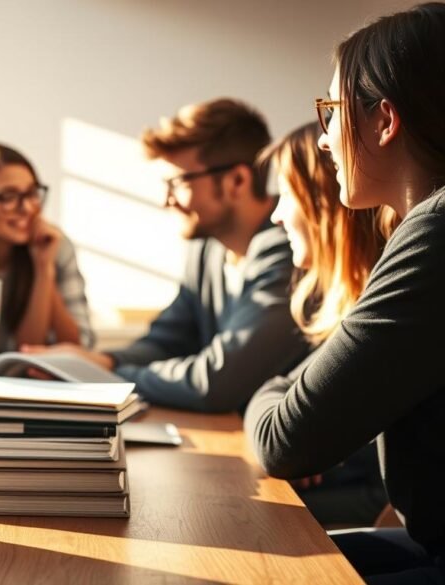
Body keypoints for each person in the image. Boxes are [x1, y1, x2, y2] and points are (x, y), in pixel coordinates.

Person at [245, 4, 445, 581]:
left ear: (384, 121)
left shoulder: (435, 233)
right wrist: (283, 397)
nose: (325, 139)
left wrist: (268, 396)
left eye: (330, 112)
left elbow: (286, 440)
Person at [28, 99, 309, 413]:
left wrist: (101, 374)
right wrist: (102, 361)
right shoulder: (206, 249)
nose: (166, 201)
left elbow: (215, 383)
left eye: (178, 183)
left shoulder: (291, 252)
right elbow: (166, 341)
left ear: (237, 181)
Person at [260, 122, 391, 527]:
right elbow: (270, 400)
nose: (277, 216)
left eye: (285, 195)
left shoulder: (385, 313)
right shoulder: (349, 308)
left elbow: (277, 437)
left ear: (325, 204)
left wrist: (302, 442)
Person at [0, 140, 94, 367]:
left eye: (32, 193)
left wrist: (44, 271)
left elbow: (78, 347)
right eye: (8, 197)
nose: (27, 208)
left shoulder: (54, 245)